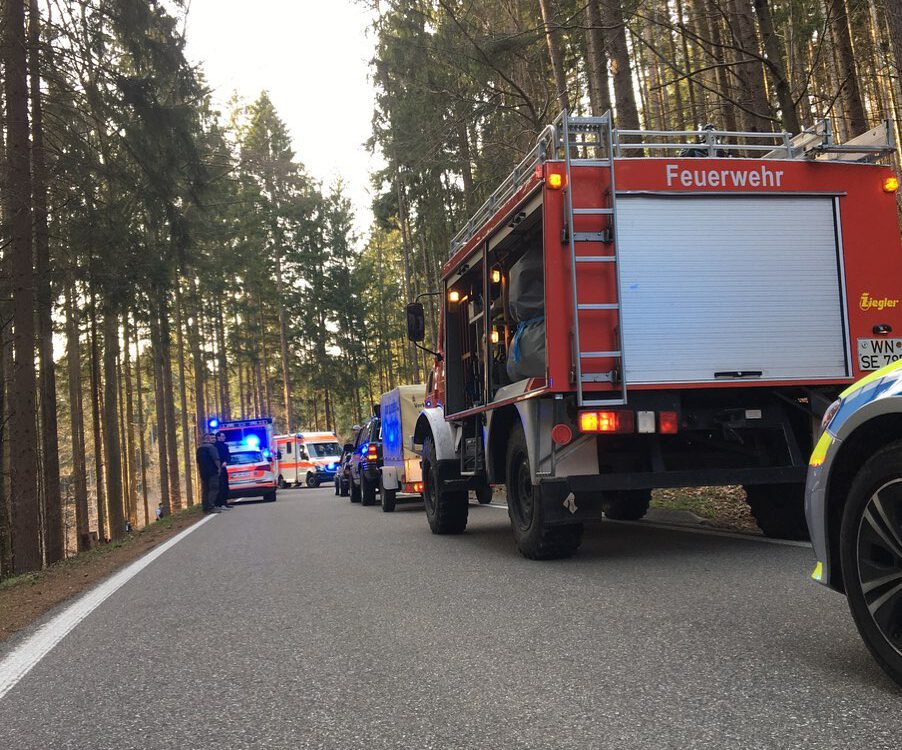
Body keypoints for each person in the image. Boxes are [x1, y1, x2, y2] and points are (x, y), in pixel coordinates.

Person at [196, 433, 222, 514]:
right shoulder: (211, 447)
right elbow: (216, 459)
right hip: (212, 471)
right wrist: (219, 468)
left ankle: (205, 507)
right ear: (208, 439)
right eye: (211, 438)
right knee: (214, 488)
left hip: (203, 472)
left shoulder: (199, 448)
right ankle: (211, 506)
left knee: (205, 489)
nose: (213, 439)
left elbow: (198, 461)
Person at [215, 431, 233, 508]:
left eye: (224, 436)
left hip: (224, 467)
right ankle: (219, 503)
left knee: (225, 485)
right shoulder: (215, 446)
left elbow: (228, 455)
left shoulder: (225, 446)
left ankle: (225, 502)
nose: (224, 438)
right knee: (220, 486)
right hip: (218, 468)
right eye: (222, 436)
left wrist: (226, 461)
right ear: (218, 437)